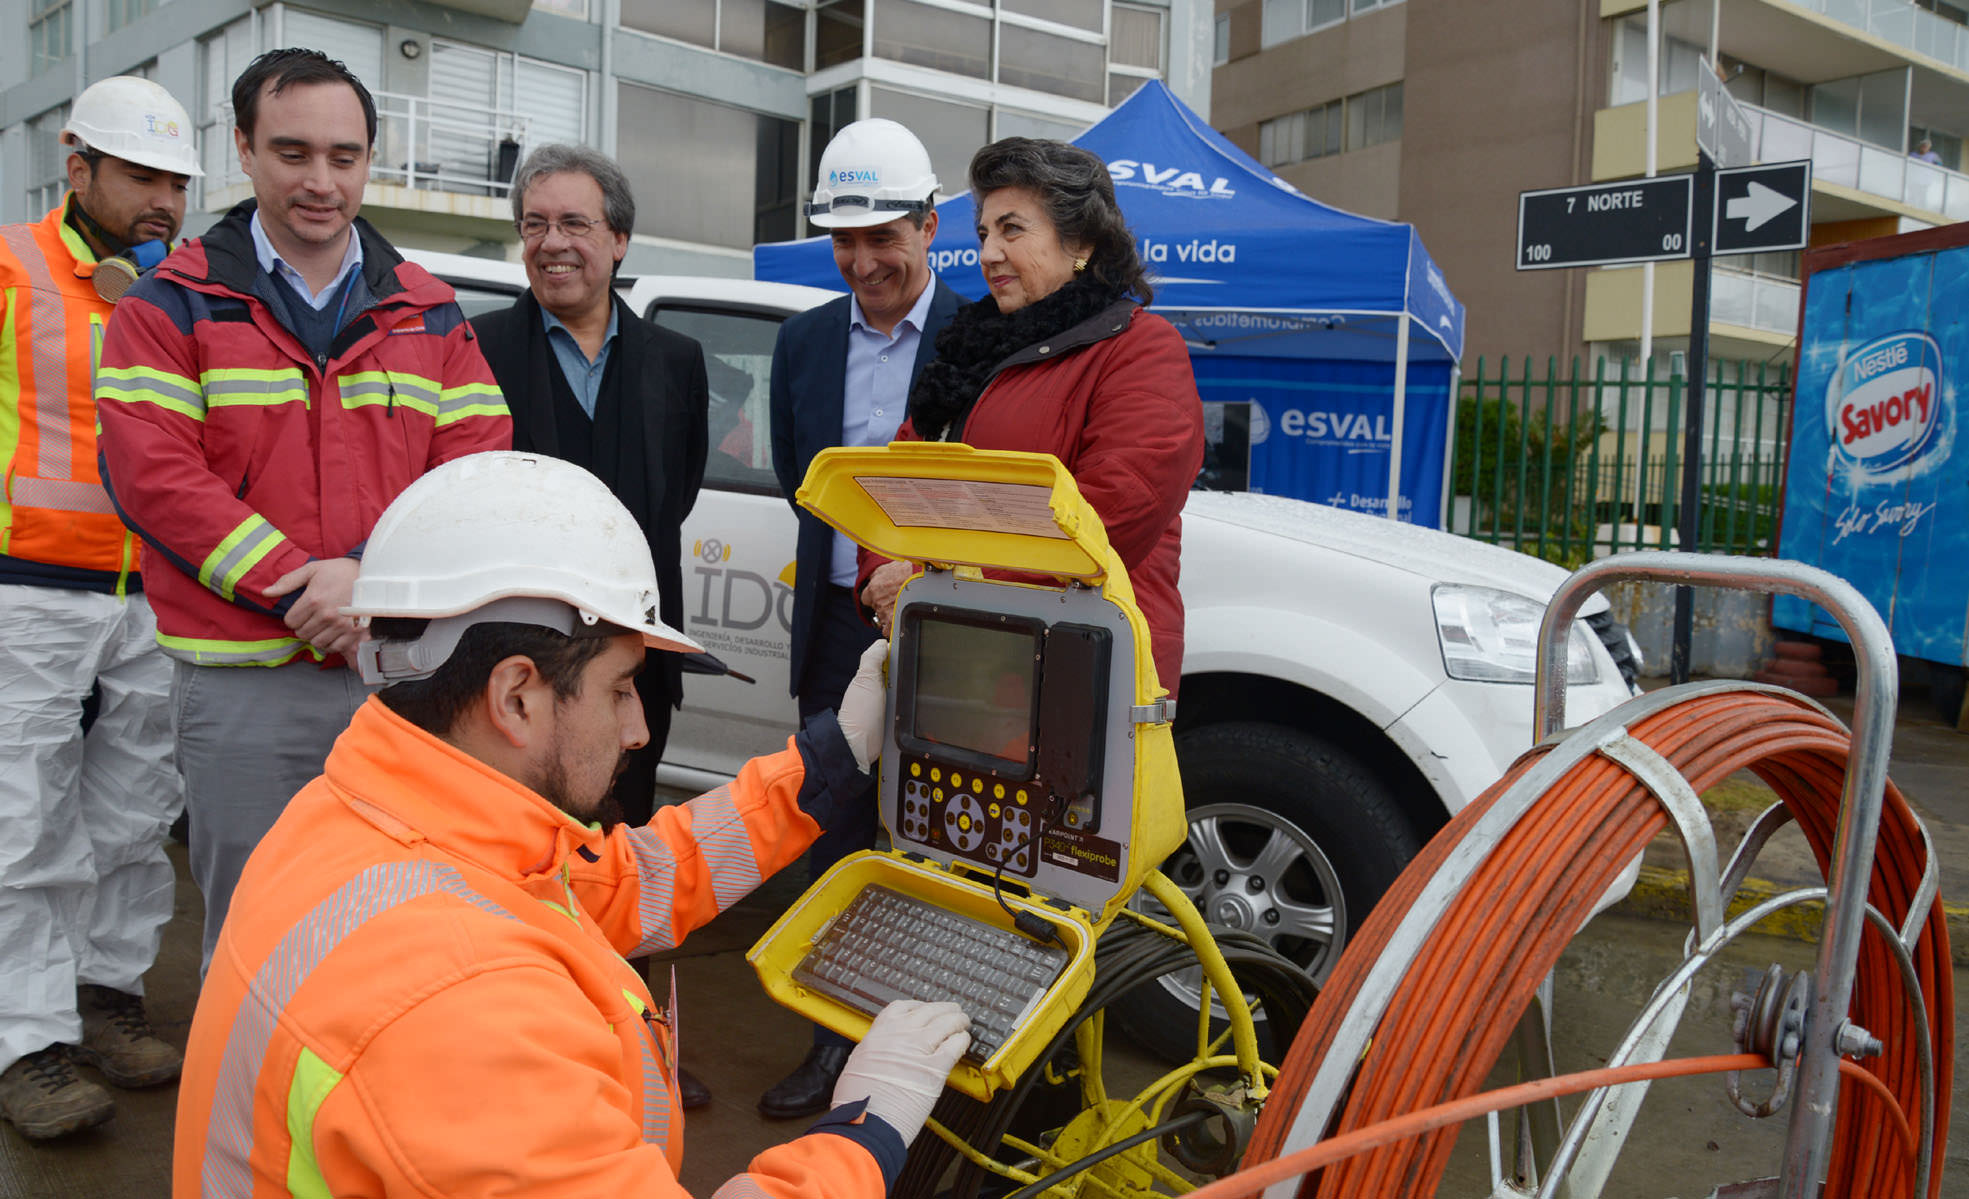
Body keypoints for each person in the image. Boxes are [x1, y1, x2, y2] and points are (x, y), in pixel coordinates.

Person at [172, 450, 971, 1199]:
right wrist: (865, 1132)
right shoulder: (460, 1004)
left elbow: (631, 881)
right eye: (620, 687)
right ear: (516, 695)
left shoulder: (369, 817)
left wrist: (835, 754)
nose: (637, 729)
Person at [93, 48, 511, 970]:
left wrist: (370, 580)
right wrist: (303, 585)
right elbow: (154, 476)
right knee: (259, 937)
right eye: (293, 153)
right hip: (247, 679)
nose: (321, 181)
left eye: (343, 156)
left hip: (403, 672)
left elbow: (475, 469)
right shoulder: (169, 306)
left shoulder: (431, 311)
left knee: (400, 932)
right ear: (243, 150)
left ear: (369, 161)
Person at [470, 142, 713, 1108]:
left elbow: (672, 496)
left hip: (634, 664)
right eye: (534, 224)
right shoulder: (479, 348)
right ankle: (526, 1046)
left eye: (574, 223)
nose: (552, 243)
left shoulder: (675, 361)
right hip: (515, 668)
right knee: (521, 860)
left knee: (630, 857)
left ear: (618, 239)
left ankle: (635, 1040)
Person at [0, 75, 200, 1143]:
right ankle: (25, 1040)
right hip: (31, 587)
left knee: (134, 813)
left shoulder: (187, 289)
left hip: (154, 591)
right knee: (25, 819)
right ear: (77, 167)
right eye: (140, 176)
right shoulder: (13, 267)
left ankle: (105, 997)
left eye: (176, 182)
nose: (162, 200)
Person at [763, 117, 964, 1118]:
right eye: (845, 240)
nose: (863, 259)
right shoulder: (803, 341)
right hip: (840, 637)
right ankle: (832, 1047)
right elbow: (796, 475)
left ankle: (935, 1059)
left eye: (883, 235)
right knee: (831, 836)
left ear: (929, 225)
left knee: (942, 847)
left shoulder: (980, 337)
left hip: (958, 636)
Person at [858, 138, 1203, 698]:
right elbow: (892, 484)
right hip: (952, 658)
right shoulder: (968, 351)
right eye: (983, 234)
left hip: (1079, 672)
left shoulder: (1139, 349)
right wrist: (879, 575)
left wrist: (928, 581)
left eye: (1011, 230)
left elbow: (1109, 516)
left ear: (1081, 242)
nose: (988, 253)